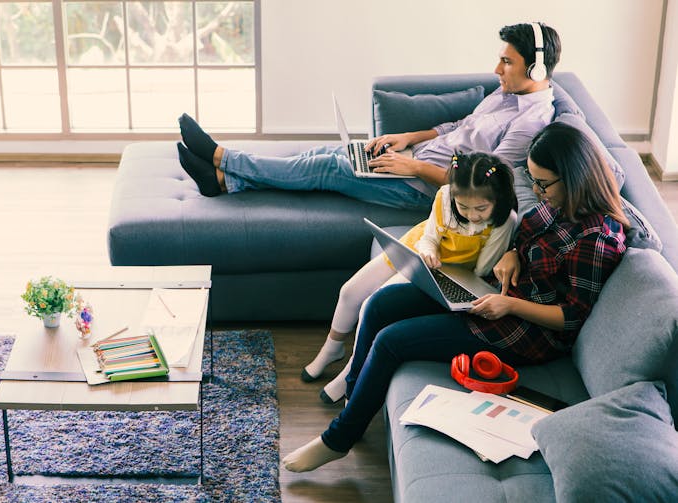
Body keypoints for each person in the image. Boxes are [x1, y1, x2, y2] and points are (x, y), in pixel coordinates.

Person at [281, 121, 630, 472]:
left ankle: (339, 439)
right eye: (533, 180)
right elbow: (524, 239)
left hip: (523, 331)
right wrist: (512, 255)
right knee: (378, 305)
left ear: (573, 175)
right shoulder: (559, 203)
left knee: (391, 342)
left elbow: (571, 317)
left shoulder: (597, 237)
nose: (537, 191)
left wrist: (508, 303)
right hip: (490, 298)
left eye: (543, 183)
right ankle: (354, 403)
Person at [175, 22, 561, 211]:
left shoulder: (530, 123)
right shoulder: (508, 91)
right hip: (414, 162)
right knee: (319, 155)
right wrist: (409, 138)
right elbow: (461, 127)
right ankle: (225, 184)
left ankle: (223, 158)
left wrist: (413, 170)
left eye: (506, 61)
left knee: (328, 167)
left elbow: (485, 185)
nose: (496, 69)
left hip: (426, 191)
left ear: (537, 69)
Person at [305, 151, 518, 405]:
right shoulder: (445, 196)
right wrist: (428, 251)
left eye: (480, 208)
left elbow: (481, 271)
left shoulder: (504, 221)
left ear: (497, 199)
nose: (472, 215)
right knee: (350, 291)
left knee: (372, 306)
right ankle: (332, 349)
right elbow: (429, 237)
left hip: (447, 273)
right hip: (418, 251)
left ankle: (351, 371)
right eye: (463, 207)